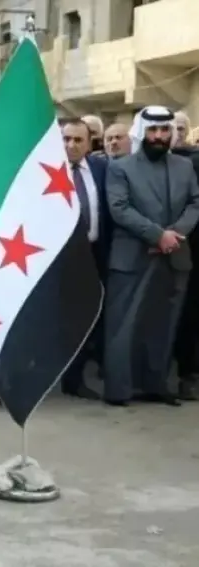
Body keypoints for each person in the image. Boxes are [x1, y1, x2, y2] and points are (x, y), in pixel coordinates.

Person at [103, 106, 199, 407]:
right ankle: (120, 390)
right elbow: (119, 208)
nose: (159, 136)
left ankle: (156, 385)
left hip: (174, 256)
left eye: (164, 130)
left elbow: (195, 203)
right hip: (133, 256)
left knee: (163, 324)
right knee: (124, 325)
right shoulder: (121, 167)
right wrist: (158, 235)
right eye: (153, 130)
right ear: (142, 132)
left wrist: (175, 234)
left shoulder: (185, 166)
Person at [59, 118, 110, 400]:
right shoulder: (44, 169)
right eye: (66, 139)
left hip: (93, 253)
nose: (71, 145)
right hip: (57, 256)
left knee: (85, 318)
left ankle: (74, 379)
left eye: (78, 140)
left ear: (89, 143)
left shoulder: (102, 169)